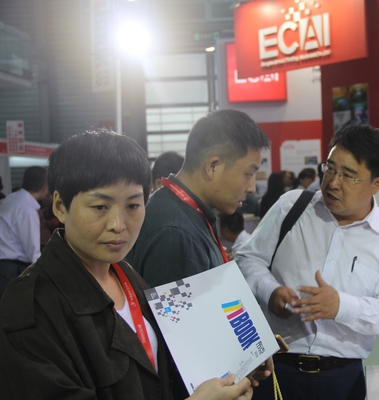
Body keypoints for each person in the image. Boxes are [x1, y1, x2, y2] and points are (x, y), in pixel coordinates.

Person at [0, 130, 254, 400]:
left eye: (133, 206)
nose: (118, 225)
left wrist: (236, 364)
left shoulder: (126, 274)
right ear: (61, 206)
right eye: (100, 207)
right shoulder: (31, 306)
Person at [236, 124, 379, 400]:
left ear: (377, 184)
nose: (333, 182)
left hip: (341, 381)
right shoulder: (292, 207)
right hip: (274, 371)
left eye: (349, 176)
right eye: (330, 168)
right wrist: (270, 291)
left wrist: (342, 307)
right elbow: (248, 259)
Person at [127, 109, 271, 288]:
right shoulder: (176, 233)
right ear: (213, 167)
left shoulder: (182, 212)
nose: (252, 188)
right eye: (248, 174)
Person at [0, 165, 48, 296]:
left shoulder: (12, 198)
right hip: (10, 268)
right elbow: (32, 251)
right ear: (45, 187)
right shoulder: (27, 210)